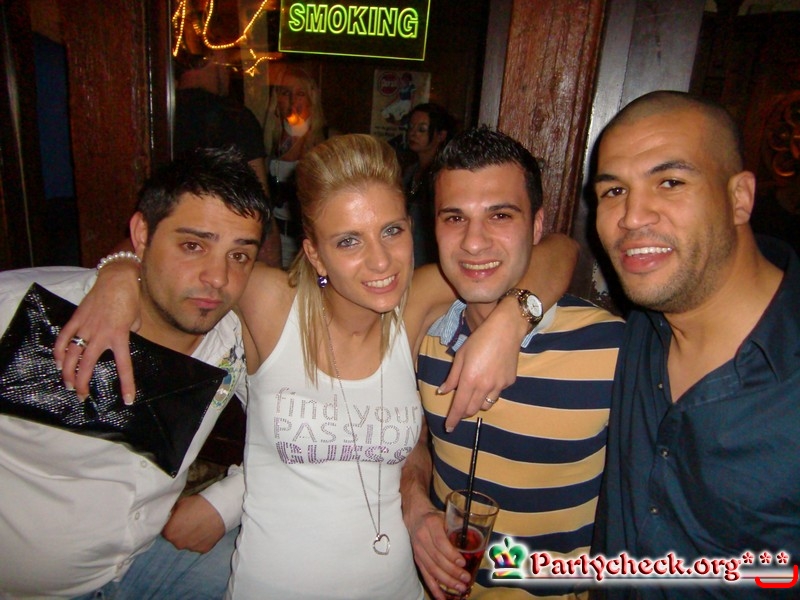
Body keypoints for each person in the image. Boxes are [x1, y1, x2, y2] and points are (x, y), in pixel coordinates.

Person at [53, 134, 579, 599]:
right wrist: (117, 275)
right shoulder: (271, 302)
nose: (380, 261)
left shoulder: (415, 303)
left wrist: (512, 320)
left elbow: (558, 248)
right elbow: (172, 253)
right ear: (315, 253)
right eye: (348, 240)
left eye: (391, 230)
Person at [0, 147, 270, 599]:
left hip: (146, 559)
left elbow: (304, 434)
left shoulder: (236, 338)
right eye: (193, 246)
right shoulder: (28, 312)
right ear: (142, 235)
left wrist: (225, 502)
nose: (218, 278)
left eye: (239, 255)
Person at [401, 127, 626, 600]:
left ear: (537, 227)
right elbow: (410, 443)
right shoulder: (425, 340)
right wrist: (414, 504)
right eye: (454, 217)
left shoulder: (611, 351)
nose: (474, 242)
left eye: (500, 215)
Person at [591, 91, 800, 598]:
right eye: (613, 191)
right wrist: (518, 310)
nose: (632, 216)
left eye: (670, 182)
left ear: (739, 198)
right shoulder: (641, 327)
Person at [173, 51, 281, 268]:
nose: (229, 69)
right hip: (225, 254)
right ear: (209, 58)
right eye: (226, 59)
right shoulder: (234, 117)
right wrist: (271, 270)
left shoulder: (157, 110)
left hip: (177, 255)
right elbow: (259, 208)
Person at [263, 65, 329, 269]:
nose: (292, 101)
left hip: (307, 244)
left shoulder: (327, 142)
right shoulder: (269, 141)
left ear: (311, 98)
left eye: (300, 94)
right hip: (273, 239)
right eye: (285, 93)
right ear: (277, 99)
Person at [403, 103, 456, 266]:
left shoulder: (444, 177)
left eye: (422, 129)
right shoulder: (410, 172)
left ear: (441, 135)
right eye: (410, 127)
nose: (413, 133)